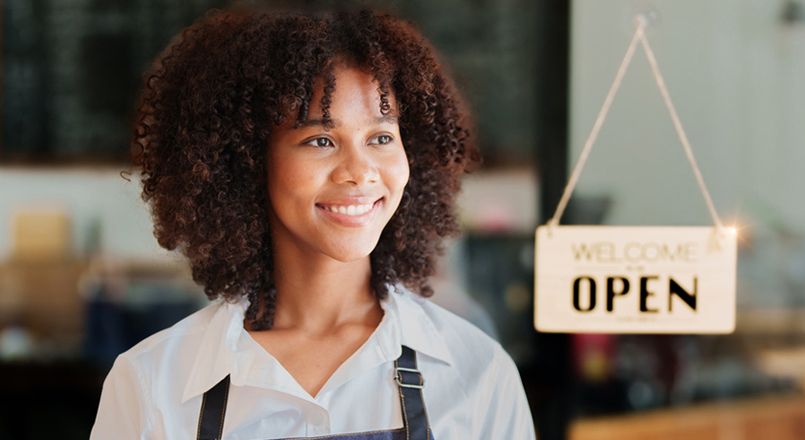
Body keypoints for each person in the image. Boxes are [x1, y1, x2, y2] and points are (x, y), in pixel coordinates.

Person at [90, 6, 535, 440]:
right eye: (320, 140)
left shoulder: (478, 374)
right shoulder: (151, 386)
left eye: (381, 137)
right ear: (245, 162)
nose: (360, 171)